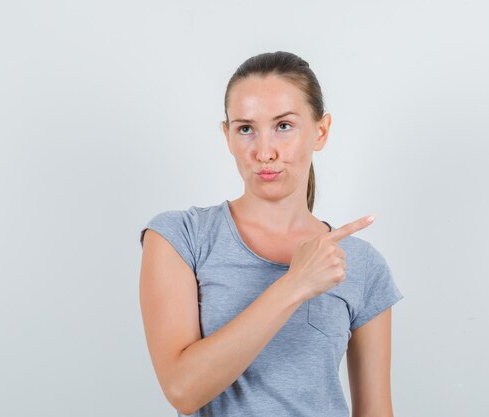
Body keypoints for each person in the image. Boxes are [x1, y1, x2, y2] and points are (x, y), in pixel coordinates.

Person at [139, 51, 404, 417]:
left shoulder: (361, 264)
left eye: (284, 126)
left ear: (320, 131)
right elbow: (183, 390)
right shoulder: (181, 237)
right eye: (245, 128)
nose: (264, 152)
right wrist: (296, 284)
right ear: (227, 136)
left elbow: (375, 411)